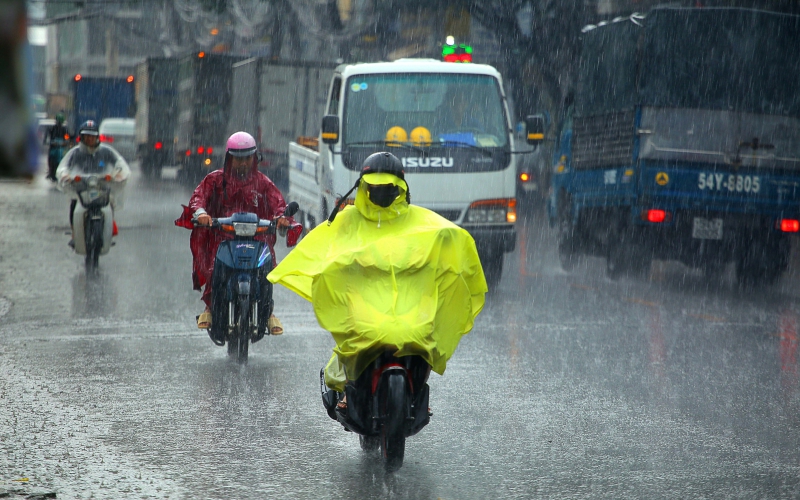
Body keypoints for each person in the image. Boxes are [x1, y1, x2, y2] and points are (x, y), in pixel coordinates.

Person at [268, 151, 487, 413]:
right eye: (375, 187)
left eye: (388, 187)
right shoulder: (347, 220)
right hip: (363, 303)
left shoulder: (422, 222)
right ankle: (350, 388)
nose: (382, 193)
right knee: (354, 337)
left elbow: (448, 238)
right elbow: (321, 249)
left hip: (409, 305)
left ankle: (417, 393)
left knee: (426, 337)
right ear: (364, 188)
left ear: (400, 188)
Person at [176, 131, 293, 333]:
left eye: (247, 158)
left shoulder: (263, 182)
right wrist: (202, 213)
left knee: (267, 266)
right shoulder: (214, 180)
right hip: (222, 236)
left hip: (257, 236)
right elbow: (198, 198)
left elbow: (278, 203)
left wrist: (282, 217)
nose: (243, 164)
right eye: (238, 159)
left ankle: (268, 312)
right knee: (214, 265)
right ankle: (210, 307)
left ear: (254, 158)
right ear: (229, 158)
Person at [56, 120, 130, 242]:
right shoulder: (75, 153)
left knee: (109, 205)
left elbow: (120, 164)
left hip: (102, 187)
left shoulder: (106, 152)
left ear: (97, 137)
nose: (90, 139)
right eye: (87, 136)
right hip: (82, 188)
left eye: (92, 136)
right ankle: (75, 233)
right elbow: (64, 167)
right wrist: (66, 176)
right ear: (81, 137)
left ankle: (108, 231)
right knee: (74, 204)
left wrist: (118, 175)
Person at [44, 112, 71, 181]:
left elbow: (67, 138)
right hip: (53, 148)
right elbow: (47, 138)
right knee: (51, 156)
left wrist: (65, 142)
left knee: (65, 158)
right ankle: (51, 171)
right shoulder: (52, 129)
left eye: (60, 122)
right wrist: (51, 142)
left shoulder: (65, 130)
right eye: (58, 121)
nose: (58, 123)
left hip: (62, 148)